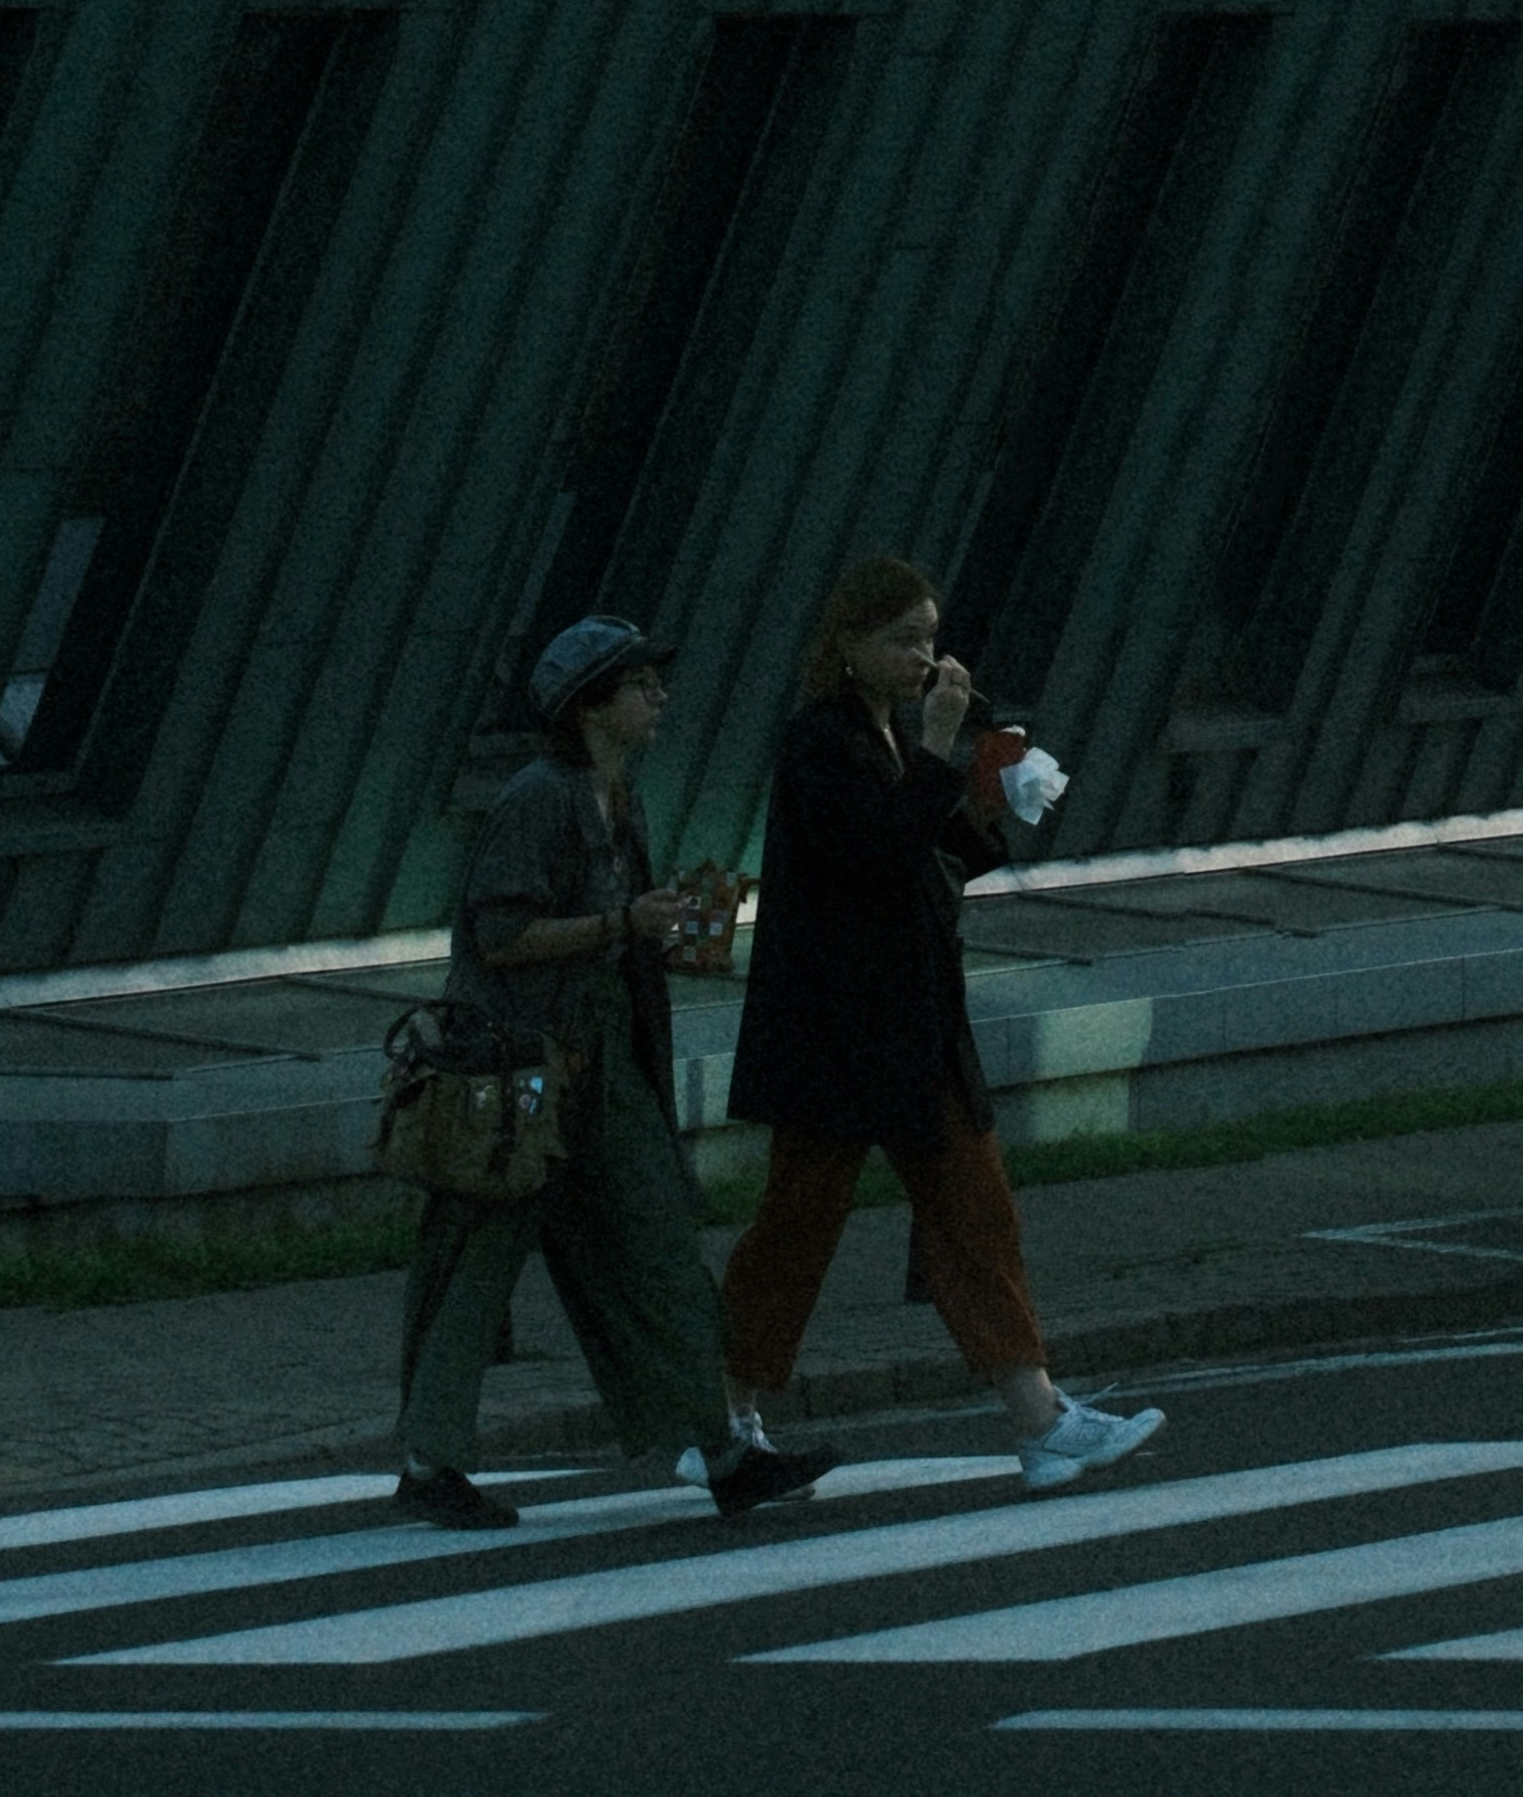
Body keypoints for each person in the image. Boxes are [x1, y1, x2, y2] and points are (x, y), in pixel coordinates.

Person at [719, 555, 1163, 1492]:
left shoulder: (880, 740)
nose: (924, 656)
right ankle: (727, 1408)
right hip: (843, 1032)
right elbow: (875, 853)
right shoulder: (820, 744)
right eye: (903, 639)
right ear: (849, 646)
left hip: (909, 1026)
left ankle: (1038, 1415)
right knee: (798, 1224)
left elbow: (926, 861)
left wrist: (991, 805)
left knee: (974, 1215)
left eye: (929, 636)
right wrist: (936, 747)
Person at [395, 617, 834, 1532]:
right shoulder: (540, 799)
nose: (659, 699)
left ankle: (720, 1452)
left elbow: (613, 928)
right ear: (591, 705)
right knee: (479, 1263)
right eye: (641, 686)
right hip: (522, 1074)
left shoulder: (618, 794)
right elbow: (499, 935)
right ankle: (429, 1461)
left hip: (601, 1067)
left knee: (659, 1247)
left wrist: (665, 930)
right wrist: (619, 927)